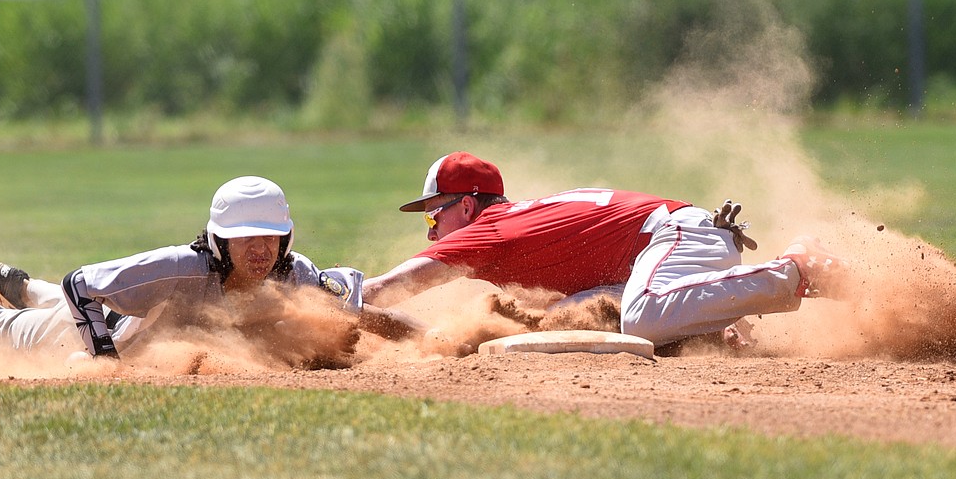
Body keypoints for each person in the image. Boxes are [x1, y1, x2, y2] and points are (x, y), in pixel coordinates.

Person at [0, 176, 424, 363]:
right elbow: (83, 285)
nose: (260, 251)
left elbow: (356, 312)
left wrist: (433, 338)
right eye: (246, 239)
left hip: (117, 317)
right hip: (75, 329)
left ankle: (20, 288)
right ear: (220, 241)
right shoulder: (177, 268)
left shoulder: (292, 279)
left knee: (83, 305)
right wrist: (102, 359)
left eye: (270, 238)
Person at [361, 151, 850, 349]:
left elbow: (385, 289)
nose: (431, 231)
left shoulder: (489, 229)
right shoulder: (511, 221)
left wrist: (322, 300)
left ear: (466, 207)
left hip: (676, 237)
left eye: (434, 215)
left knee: (640, 318)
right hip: (668, 247)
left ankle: (795, 269)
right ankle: (714, 327)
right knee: (568, 319)